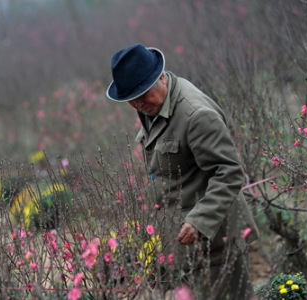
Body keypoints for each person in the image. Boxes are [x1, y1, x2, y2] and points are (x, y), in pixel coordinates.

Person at [105, 44, 259, 299]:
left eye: (142, 94)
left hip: (215, 241)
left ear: (161, 77)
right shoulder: (154, 105)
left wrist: (199, 220)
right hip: (184, 242)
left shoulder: (196, 115)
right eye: (131, 99)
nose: (138, 103)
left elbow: (229, 173)